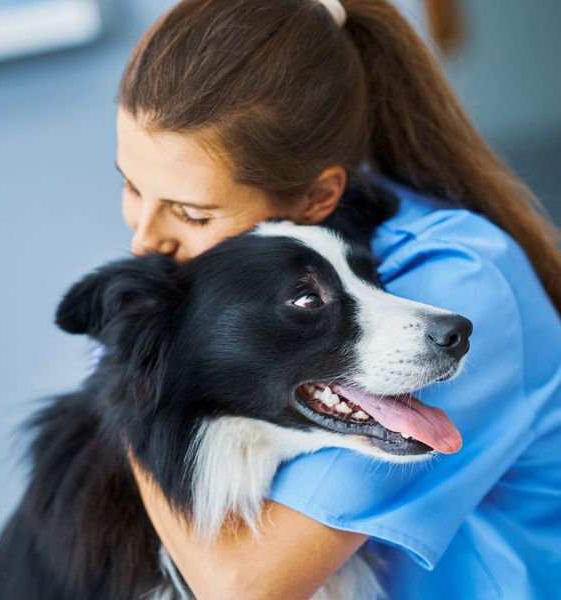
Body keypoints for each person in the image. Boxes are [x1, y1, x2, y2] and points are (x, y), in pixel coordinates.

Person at [107, 0, 561, 598]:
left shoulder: (458, 279)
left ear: (320, 197)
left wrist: (134, 385)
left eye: (193, 213)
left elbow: (245, 587)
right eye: (133, 187)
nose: (146, 239)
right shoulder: (238, 276)